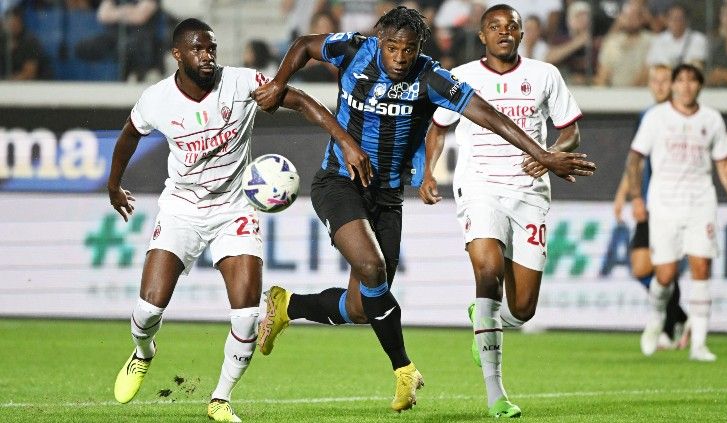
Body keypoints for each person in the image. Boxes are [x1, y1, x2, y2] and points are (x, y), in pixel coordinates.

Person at [252, 5, 595, 414]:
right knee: (374, 270)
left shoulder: (432, 77)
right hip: (338, 181)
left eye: (409, 50)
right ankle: (404, 369)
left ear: (419, 49)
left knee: (362, 307)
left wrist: (543, 153)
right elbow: (306, 46)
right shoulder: (352, 50)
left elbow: (488, 116)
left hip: (388, 195)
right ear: (380, 41)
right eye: (393, 47)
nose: (399, 58)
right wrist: (278, 83)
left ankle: (288, 305)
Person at [108, 18, 370, 422]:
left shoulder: (242, 83)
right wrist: (114, 183)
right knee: (147, 311)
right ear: (177, 55)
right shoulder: (156, 100)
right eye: (197, 49)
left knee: (247, 315)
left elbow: (297, 99)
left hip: (235, 210)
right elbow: (129, 135)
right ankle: (144, 352)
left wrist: (346, 142)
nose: (207, 55)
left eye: (211, 47)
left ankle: (220, 398)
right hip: (182, 209)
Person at [420, 4, 590, 417]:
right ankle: (496, 393)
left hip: (530, 192)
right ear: (482, 35)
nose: (504, 32)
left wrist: (552, 153)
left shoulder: (544, 75)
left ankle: (485, 323)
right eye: (494, 26)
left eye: (511, 25)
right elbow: (437, 128)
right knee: (487, 269)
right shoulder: (461, 77)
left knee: (523, 308)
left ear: (521, 33)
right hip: (479, 186)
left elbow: (571, 131)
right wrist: (427, 171)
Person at [626, 64, 727, 362]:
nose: (686, 86)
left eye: (692, 81)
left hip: (701, 202)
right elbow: (634, 159)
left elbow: (725, 165)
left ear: (699, 86)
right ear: (674, 86)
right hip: (664, 204)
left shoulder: (712, 119)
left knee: (701, 268)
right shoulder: (656, 118)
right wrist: (636, 197)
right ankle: (656, 318)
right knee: (665, 275)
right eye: (681, 80)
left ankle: (699, 345)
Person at [613, 64, 688, 351]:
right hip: (648, 201)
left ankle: (670, 328)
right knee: (643, 266)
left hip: (672, 202)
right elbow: (636, 161)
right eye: (654, 80)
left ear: (673, 84)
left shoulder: (683, 117)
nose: (658, 85)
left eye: (664, 81)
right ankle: (679, 317)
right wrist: (627, 196)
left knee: (664, 265)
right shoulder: (646, 116)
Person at [75, 0, 163, 81]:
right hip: (114, 37)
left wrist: (115, 13)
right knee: (84, 46)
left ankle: (137, 74)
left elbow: (139, 17)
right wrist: (128, 11)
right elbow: (103, 16)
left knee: (128, 46)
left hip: (141, 39)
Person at [645, 3, 707, 69]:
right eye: (672, 18)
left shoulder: (698, 39)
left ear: (686, 20)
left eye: (679, 18)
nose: (676, 22)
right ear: (667, 20)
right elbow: (650, 66)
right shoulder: (658, 40)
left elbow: (698, 66)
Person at [0, 7, 52, 80]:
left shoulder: (30, 41)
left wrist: (8, 82)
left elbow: (29, 73)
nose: (12, 26)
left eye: (15, 23)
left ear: (21, 22)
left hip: (30, 86)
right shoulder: (2, 40)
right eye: (9, 22)